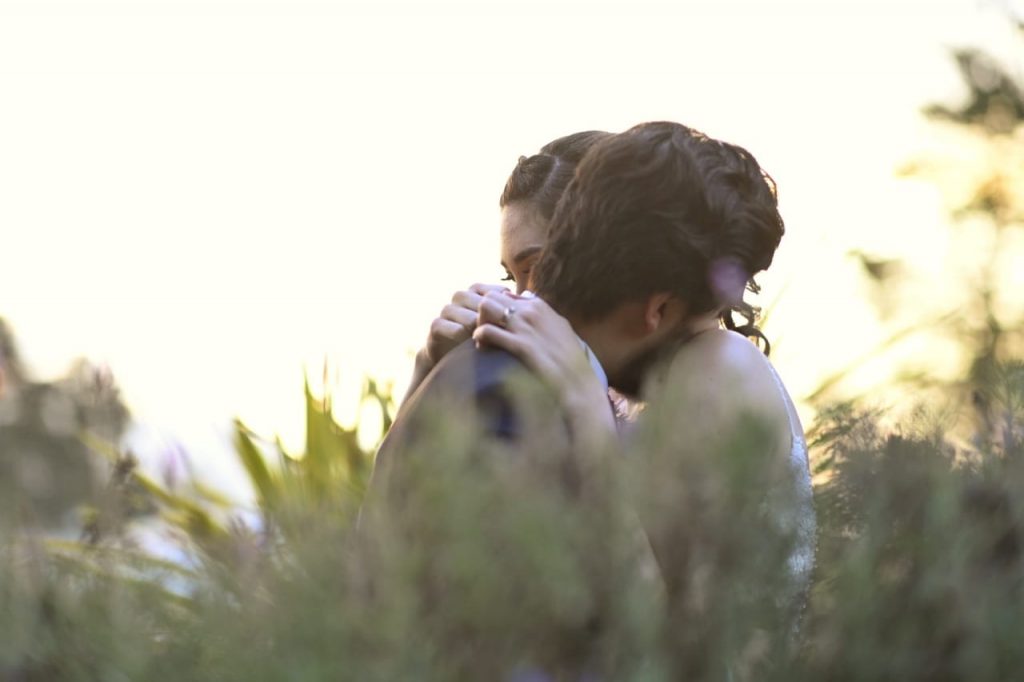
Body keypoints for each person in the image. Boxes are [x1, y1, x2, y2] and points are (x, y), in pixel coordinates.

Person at [473, 121, 816, 635]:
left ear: (655, 309)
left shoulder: (719, 369)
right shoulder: (662, 385)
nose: (542, 306)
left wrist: (586, 412)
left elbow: (672, 645)